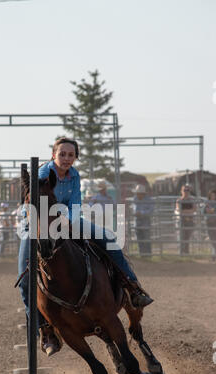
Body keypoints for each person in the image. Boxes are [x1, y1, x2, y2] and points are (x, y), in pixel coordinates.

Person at [18, 137, 153, 356]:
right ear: (54, 155)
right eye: (62, 154)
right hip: (37, 226)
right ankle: (46, 330)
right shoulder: (42, 175)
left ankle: (132, 288)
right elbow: (31, 206)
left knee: (109, 240)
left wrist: (68, 221)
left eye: (71, 155)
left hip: (66, 221)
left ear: (75, 157)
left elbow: (75, 203)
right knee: (25, 282)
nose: (66, 158)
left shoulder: (74, 175)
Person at [175, 184, 196, 255]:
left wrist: (184, 211)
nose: (186, 192)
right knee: (181, 237)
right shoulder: (179, 200)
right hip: (181, 221)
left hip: (190, 220)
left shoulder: (192, 200)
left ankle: (186, 253)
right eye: (184, 190)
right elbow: (179, 209)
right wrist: (188, 211)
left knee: (187, 238)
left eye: (187, 190)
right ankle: (181, 253)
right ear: (181, 191)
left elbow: (194, 209)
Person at [133, 184, 153, 257]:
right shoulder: (135, 199)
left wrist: (141, 213)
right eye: (137, 193)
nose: (138, 195)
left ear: (143, 194)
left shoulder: (149, 200)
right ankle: (142, 255)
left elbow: (151, 210)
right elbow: (133, 209)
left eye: (139, 193)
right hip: (137, 223)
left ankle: (148, 255)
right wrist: (136, 213)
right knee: (140, 240)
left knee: (146, 239)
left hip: (145, 223)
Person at [204, 189, 216, 261]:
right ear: (209, 196)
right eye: (211, 195)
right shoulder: (207, 202)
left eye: (214, 195)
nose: (213, 196)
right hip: (209, 222)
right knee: (211, 239)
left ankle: (214, 256)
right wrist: (207, 210)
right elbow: (203, 211)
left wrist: (211, 211)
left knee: (215, 239)